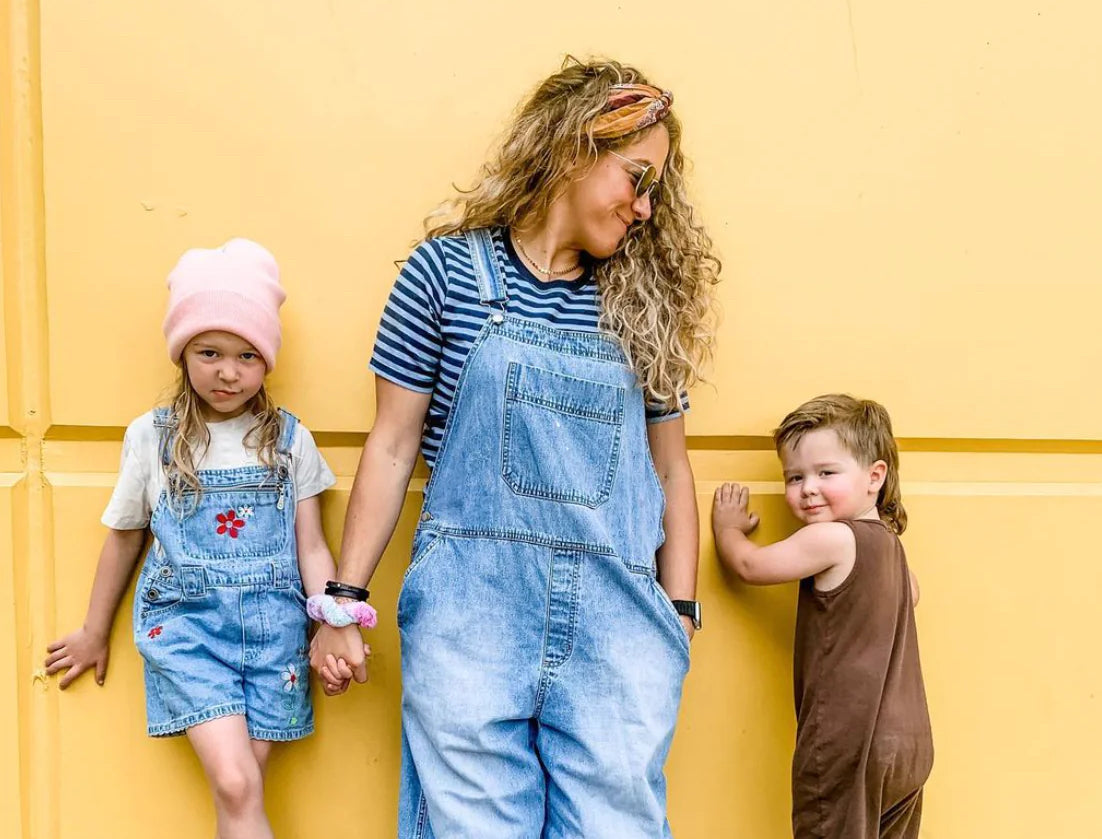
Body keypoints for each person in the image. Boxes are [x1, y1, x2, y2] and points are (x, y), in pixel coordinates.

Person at [310, 58, 719, 837]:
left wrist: (678, 615)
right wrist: (343, 602)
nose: (643, 207)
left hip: (619, 629)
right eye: (635, 177)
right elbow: (392, 446)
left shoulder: (640, 304)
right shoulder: (444, 275)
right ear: (572, 147)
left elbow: (671, 468)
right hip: (473, 622)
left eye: (654, 190)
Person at [44, 239, 338, 839]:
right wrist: (94, 630)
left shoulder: (289, 440)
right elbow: (124, 538)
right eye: (209, 352)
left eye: (247, 356)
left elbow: (311, 546)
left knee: (245, 788)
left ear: (267, 362)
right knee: (236, 785)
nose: (228, 372)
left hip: (274, 637)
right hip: (190, 633)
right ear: (182, 354)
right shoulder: (152, 439)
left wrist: (333, 622)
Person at [712, 394, 933, 839]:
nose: (807, 487)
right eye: (794, 477)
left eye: (826, 473)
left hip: (849, 739)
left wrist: (728, 530)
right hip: (908, 744)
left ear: (875, 477)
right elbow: (912, 595)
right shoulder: (892, 548)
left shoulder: (832, 539)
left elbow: (751, 566)